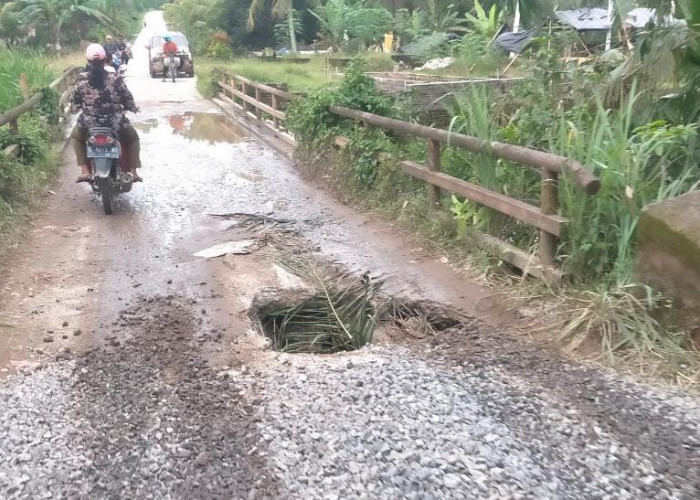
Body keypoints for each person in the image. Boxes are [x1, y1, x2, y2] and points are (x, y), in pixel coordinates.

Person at [71, 44, 142, 183]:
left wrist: (79, 108)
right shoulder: (115, 78)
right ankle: (133, 172)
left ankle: (85, 171)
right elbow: (127, 98)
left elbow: (74, 104)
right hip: (115, 123)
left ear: (88, 61)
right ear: (105, 60)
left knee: (76, 138)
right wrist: (132, 108)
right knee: (133, 138)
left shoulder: (81, 80)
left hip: (88, 124)